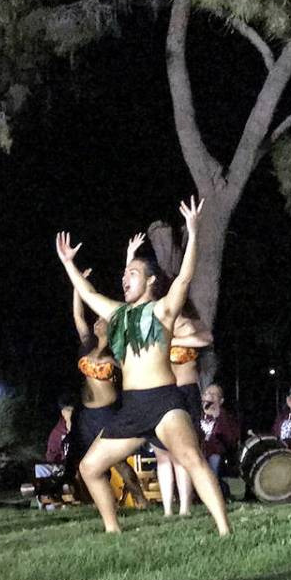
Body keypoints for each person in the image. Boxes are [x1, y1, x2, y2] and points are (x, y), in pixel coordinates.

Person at [55, 196, 231, 536]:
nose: (125, 278)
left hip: (164, 402)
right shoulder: (119, 315)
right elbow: (88, 294)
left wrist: (193, 233)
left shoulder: (163, 311)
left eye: (132, 273)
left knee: (192, 459)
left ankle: (224, 530)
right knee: (90, 467)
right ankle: (112, 531)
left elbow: (183, 277)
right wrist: (68, 264)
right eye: (123, 274)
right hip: (132, 408)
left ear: (150, 281)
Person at [123, 233, 213, 516]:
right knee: (162, 454)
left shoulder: (185, 322)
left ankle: (185, 507)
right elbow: (130, 305)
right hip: (165, 392)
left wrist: (173, 341)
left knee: (183, 454)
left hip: (186, 392)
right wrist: (130, 258)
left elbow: (206, 338)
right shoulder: (157, 320)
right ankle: (167, 509)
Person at [68, 269, 133, 501]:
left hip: (107, 412)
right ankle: (96, 499)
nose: (97, 323)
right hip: (87, 413)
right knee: (87, 458)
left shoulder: (117, 352)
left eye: (101, 321)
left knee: (116, 460)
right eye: (95, 321)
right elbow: (78, 317)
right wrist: (79, 287)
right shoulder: (88, 346)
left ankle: (141, 498)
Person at [199, 383, 240, 484]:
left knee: (215, 458)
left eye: (213, 395)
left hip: (215, 453)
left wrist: (219, 416)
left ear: (221, 401)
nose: (209, 397)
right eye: (206, 394)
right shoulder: (196, 415)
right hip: (197, 450)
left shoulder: (226, 418)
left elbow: (231, 438)